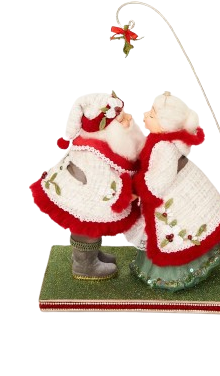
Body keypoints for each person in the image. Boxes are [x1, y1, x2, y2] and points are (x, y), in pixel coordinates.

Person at [125, 91, 220, 291]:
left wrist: (136, 189)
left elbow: (159, 181)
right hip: (174, 186)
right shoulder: (159, 140)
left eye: (151, 115)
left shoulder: (165, 147)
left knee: (177, 228)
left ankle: (176, 273)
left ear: (164, 125)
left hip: (176, 193)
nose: (145, 115)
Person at [30, 92, 145, 280]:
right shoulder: (92, 154)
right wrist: (125, 195)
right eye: (121, 119)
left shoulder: (104, 145)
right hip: (81, 199)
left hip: (85, 195)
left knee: (91, 228)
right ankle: (84, 265)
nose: (129, 118)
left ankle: (91, 255)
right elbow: (101, 183)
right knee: (86, 227)